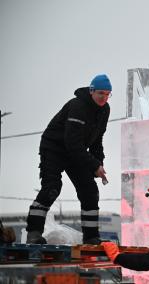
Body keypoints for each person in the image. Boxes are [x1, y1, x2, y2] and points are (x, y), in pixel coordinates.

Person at [25, 74, 112, 245]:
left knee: (89, 190)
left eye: (108, 94)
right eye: (101, 93)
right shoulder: (78, 106)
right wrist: (93, 164)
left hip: (76, 151)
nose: (104, 97)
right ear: (92, 91)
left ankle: (91, 236)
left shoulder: (105, 110)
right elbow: (72, 143)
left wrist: (99, 163)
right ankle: (34, 233)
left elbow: (97, 141)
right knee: (52, 188)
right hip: (54, 148)